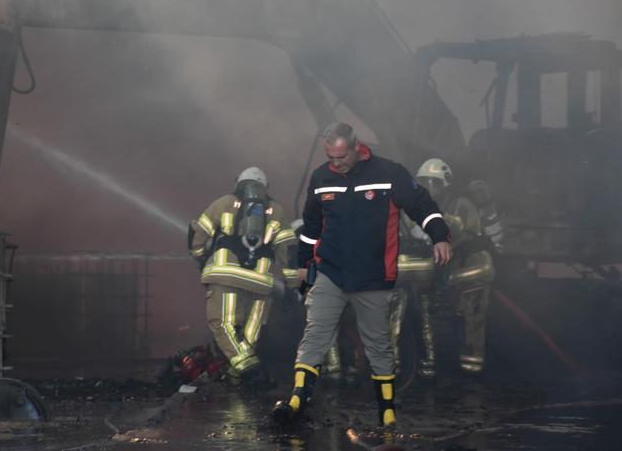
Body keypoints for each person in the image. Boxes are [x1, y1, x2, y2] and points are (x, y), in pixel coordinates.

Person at [272, 123, 452, 427]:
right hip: (330, 272)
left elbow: (421, 205)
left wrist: (439, 236)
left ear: (357, 148)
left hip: (373, 277)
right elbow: (311, 228)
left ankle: (387, 412)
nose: (336, 163)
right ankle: (297, 400)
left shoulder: (389, 173)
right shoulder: (321, 177)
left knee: (378, 344)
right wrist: (304, 264)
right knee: (314, 335)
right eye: (330, 156)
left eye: (341, 157)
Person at [188, 167, 297, 386]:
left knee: (224, 324)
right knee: (250, 332)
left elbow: (197, 234)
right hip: (260, 282)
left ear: (238, 182)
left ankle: (251, 369)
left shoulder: (223, 203)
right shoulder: (277, 210)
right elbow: (289, 251)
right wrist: (291, 285)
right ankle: (236, 376)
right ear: (266, 187)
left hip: (225, 275)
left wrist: (200, 257)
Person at [408, 158, 497, 375]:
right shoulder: (429, 205)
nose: (429, 188)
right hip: (455, 268)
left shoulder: (461, 205)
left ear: (445, 184)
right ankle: (437, 364)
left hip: (474, 269)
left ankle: (472, 370)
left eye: (434, 183)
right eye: (424, 182)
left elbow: (452, 234)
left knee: (471, 316)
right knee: (433, 309)